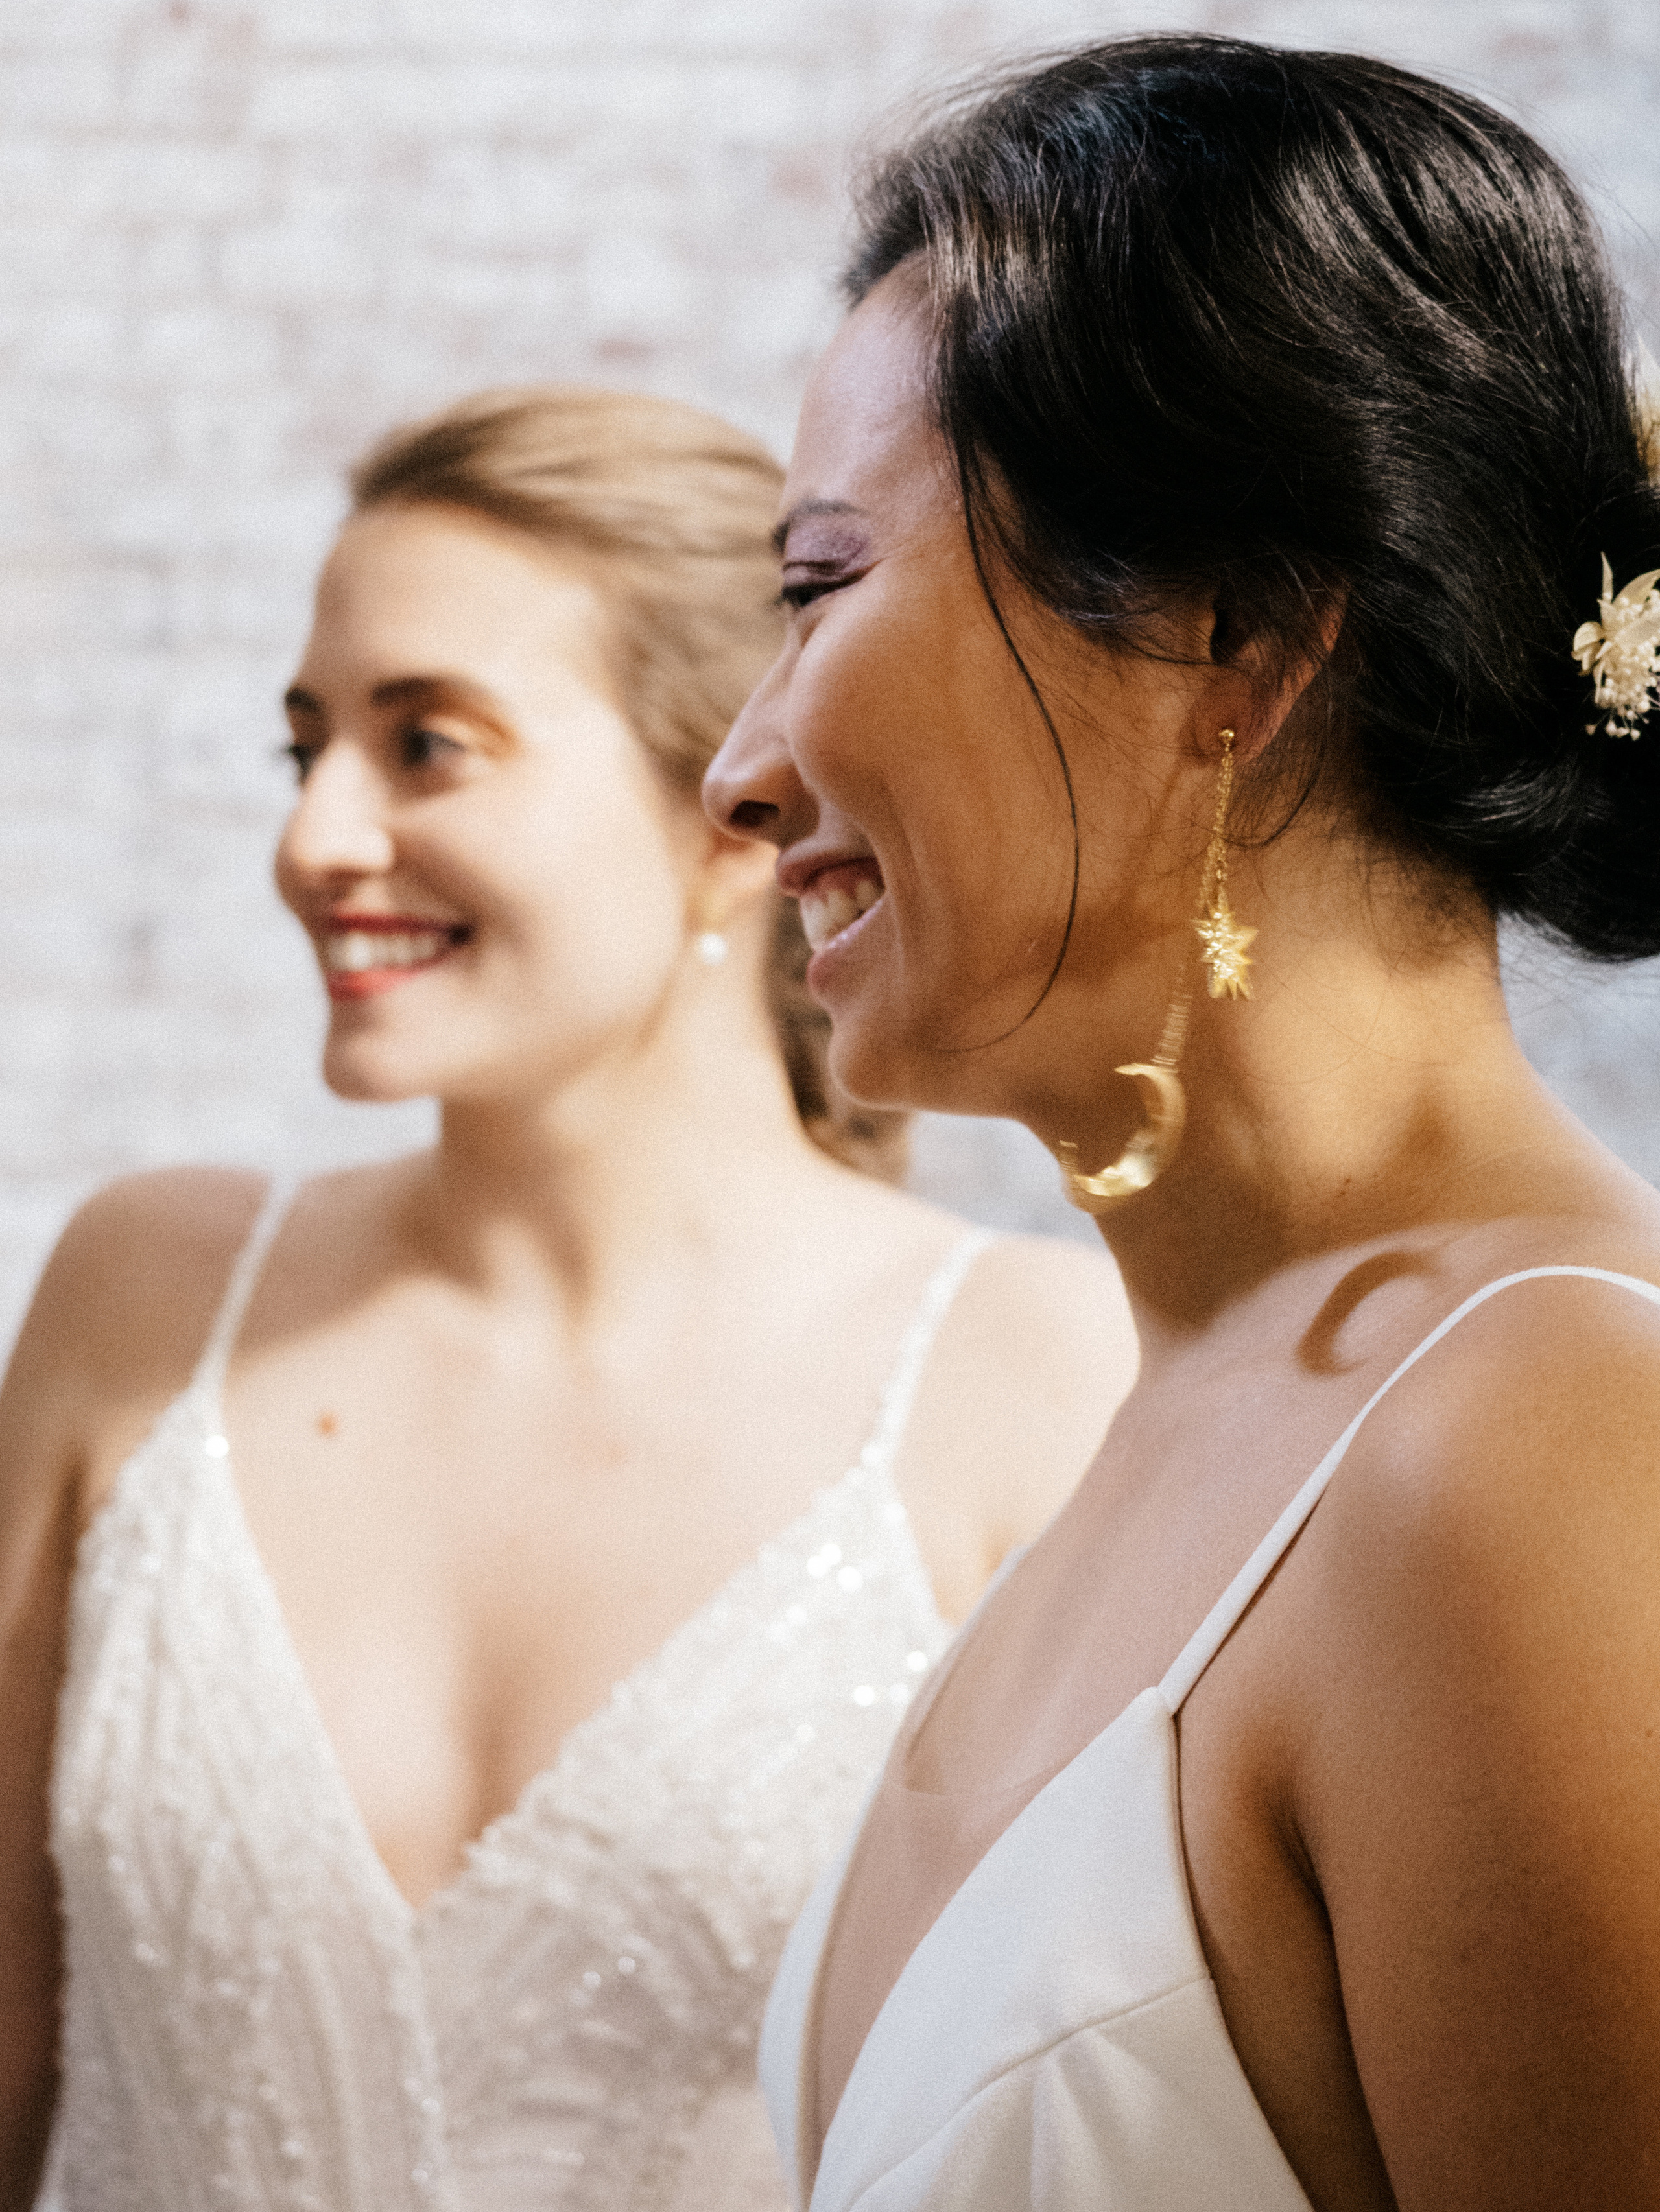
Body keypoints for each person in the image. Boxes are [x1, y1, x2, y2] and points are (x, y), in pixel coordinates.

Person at [704, 35, 1660, 2211]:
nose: (743, 765)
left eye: (821, 583)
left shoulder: (1544, 1455)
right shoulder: (1176, 1429)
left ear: (1227, 630)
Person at [0, 386, 1135, 2212]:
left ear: (734, 813)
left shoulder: (1029, 1378)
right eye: (307, 749)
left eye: (426, 744)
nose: (316, 841)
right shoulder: (146, 1298)